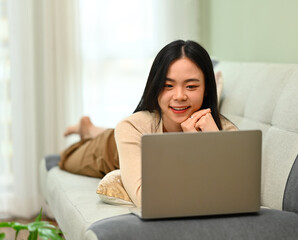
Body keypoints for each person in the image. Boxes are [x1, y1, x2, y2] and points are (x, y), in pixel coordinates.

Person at [59, 40, 238, 207]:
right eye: (168, 85)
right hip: (109, 149)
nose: (179, 96)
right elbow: (145, 198)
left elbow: (232, 189)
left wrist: (213, 143)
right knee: (67, 159)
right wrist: (192, 149)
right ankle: (89, 131)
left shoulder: (225, 130)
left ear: (207, 89)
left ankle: (90, 129)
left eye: (191, 86)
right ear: (155, 86)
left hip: (133, 133)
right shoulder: (133, 127)